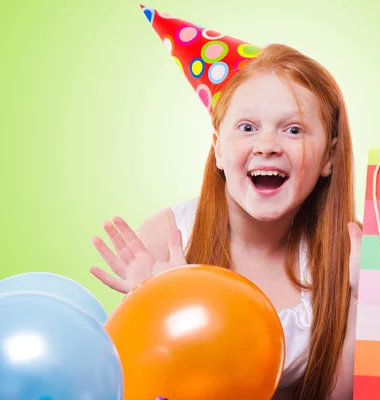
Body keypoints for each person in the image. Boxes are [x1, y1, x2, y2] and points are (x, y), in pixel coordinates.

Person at [90, 6, 362, 399]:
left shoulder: (346, 253)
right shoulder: (168, 238)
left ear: (330, 157)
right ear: (217, 149)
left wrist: (360, 298)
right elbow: (115, 384)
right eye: (247, 127)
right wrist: (155, 307)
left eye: (294, 129)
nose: (267, 145)